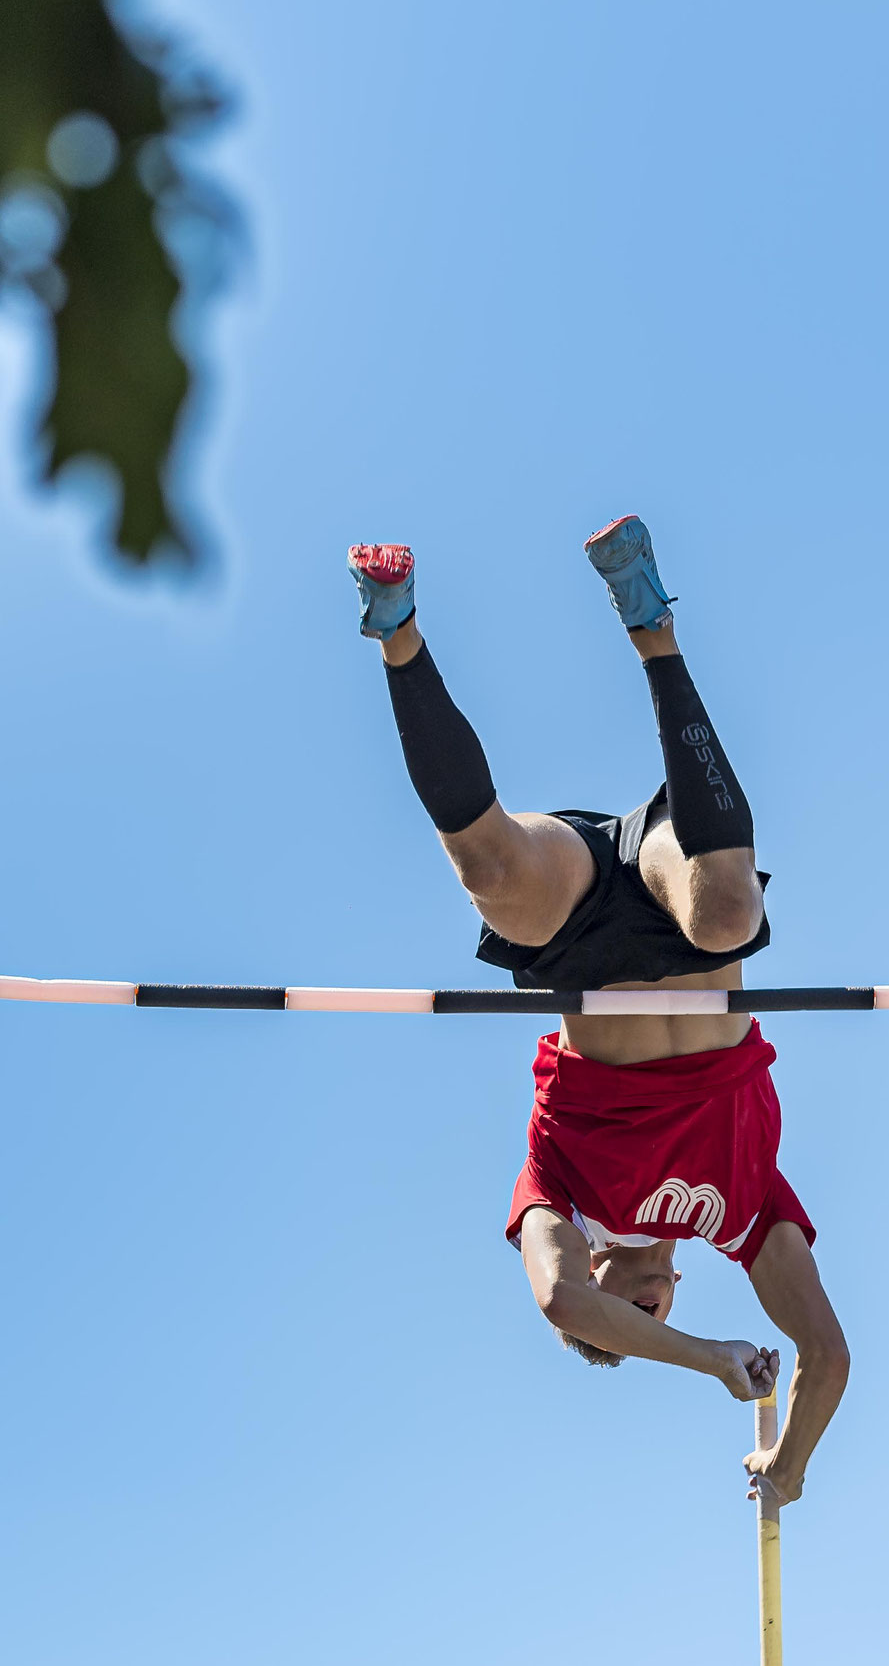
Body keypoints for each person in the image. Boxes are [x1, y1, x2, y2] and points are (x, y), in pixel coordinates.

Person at [348, 516, 848, 1506]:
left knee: (488, 867)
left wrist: (703, 1358)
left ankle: (395, 630)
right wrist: (787, 1465)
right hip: (675, 906)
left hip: (577, 937)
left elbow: (558, 1297)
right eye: (658, 1313)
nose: (653, 1300)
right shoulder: (743, 1212)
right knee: (730, 912)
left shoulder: (557, 1193)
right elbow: (826, 1352)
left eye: (636, 1313)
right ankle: (653, 628)